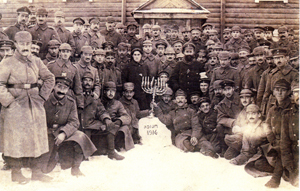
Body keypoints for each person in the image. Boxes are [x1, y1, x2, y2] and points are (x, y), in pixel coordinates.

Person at [0, 31, 55, 183]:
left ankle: (37, 172)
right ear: (16, 45)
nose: (25, 47)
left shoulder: (36, 61)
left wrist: (42, 97)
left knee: (37, 138)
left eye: (28, 44)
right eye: (21, 44)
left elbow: (50, 78)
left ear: (31, 44)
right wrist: (9, 102)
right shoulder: (7, 62)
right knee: (15, 139)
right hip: (15, 105)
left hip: (35, 105)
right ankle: (16, 173)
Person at [42, 76, 97, 177]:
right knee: (45, 168)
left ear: (68, 90)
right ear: (53, 87)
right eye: (59, 86)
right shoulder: (45, 100)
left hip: (63, 131)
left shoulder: (71, 102)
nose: (61, 90)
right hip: (46, 132)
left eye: (65, 88)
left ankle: (76, 167)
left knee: (80, 136)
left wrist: (63, 133)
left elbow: (74, 122)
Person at [155, 89, 218, 158]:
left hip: (192, 133)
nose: (180, 100)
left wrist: (194, 136)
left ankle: (207, 151)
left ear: (185, 100)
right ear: (175, 100)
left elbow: (196, 125)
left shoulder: (191, 111)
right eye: (178, 98)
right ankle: (197, 150)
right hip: (181, 135)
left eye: (182, 98)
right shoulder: (172, 113)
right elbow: (166, 121)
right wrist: (157, 109)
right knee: (185, 144)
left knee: (207, 145)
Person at [264, 79, 293, 188]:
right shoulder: (272, 109)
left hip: (288, 144)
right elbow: (266, 125)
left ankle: (276, 178)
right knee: (258, 164)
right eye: (277, 90)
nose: (280, 93)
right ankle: (284, 169)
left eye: (283, 90)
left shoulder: (292, 108)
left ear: (288, 92)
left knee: (282, 152)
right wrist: (271, 138)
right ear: (274, 92)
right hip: (274, 142)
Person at [47, 43, 84, 109]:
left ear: (70, 53)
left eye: (67, 52)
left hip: (68, 96)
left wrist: (80, 104)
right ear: (60, 52)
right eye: (63, 51)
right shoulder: (51, 65)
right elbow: (46, 82)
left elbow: (77, 87)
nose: (65, 54)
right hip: (52, 96)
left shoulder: (74, 68)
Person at [102, 81, 134, 154]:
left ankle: (117, 146)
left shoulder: (117, 103)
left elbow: (126, 117)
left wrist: (119, 121)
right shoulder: (99, 102)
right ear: (104, 91)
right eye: (108, 91)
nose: (111, 93)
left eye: (113, 91)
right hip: (103, 126)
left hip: (114, 127)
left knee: (125, 128)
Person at [224, 89, 254, 160]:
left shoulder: (253, 110)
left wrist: (241, 129)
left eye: (247, 97)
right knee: (227, 156)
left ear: (252, 98)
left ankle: (246, 152)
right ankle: (240, 148)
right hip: (240, 136)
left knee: (228, 138)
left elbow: (253, 126)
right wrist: (235, 127)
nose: (244, 100)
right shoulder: (243, 111)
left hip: (249, 138)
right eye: (242, 98)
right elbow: (238, 122)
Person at [216, 80, 242, 156]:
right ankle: (224, 148)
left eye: (229, 89)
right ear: (222, 91)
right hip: (231, 128)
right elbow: (220, 119)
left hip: (243, 126)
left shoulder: (241, 99)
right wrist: (233, 122)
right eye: (225, 90)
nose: (227, 92)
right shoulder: (221, 104)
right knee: (219, 127)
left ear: (233, 88)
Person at [280, 80, 299, 187]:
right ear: (292, 96)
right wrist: (288, 164)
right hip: (295, 155)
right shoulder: (287, 115)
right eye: (297, 92)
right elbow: (285, 142)